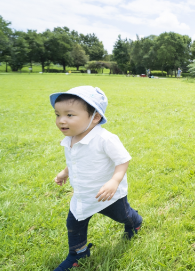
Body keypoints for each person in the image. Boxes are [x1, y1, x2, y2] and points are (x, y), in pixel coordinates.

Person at [50, 86, 142, 270]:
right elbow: (75, 160)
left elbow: (123, 160)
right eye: (57, 114)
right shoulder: (71, 138)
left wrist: (114, 181)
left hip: (108, 195)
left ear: (96, 117)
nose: (61, 121)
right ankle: (78, 253)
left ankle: (135, 222)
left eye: (69, 115)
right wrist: (65, 172)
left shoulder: (105, 139)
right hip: (83, 195)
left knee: (123, 216)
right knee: (74, 223)